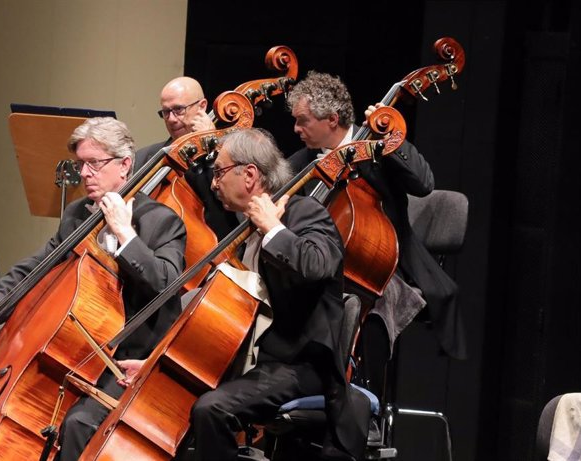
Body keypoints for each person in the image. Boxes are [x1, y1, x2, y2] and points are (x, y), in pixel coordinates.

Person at [118, 128, 372, 460]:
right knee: (165, 394)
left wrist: (273, 229)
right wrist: (159, 365)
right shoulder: (243, 227)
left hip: (300, 365)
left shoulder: (304, 214)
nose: (213, 183)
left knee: (213, 410)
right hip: (255, 363)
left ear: (249, 175)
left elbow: (318, 266)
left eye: (219, 173)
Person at [0, 117, 187, 461]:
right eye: (81, 164)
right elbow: (34, 267)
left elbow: (165, 285)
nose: (85, 174)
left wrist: (124, 234)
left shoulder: (161, 221)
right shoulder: (77, 214)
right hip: (77, 355)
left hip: (129, 362)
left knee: (77, 423)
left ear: (125, 164)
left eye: (95, 163)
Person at [285, 70, 466, 396]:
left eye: (303, 121)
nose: (296, 129)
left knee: (372, 311)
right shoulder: (300, 162)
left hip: (388, 267)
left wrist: (388, 140)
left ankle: (364, 401)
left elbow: (424, 184)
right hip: (323, 269)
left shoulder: (378, 148)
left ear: (332, 119)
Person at [134, 76, 239, 239]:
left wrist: (212, 146)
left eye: (178, 110)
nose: (171, 119)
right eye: (166, 112)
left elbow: (234, 202)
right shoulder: (145, 158)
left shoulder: (227, 154)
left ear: (202, 107)